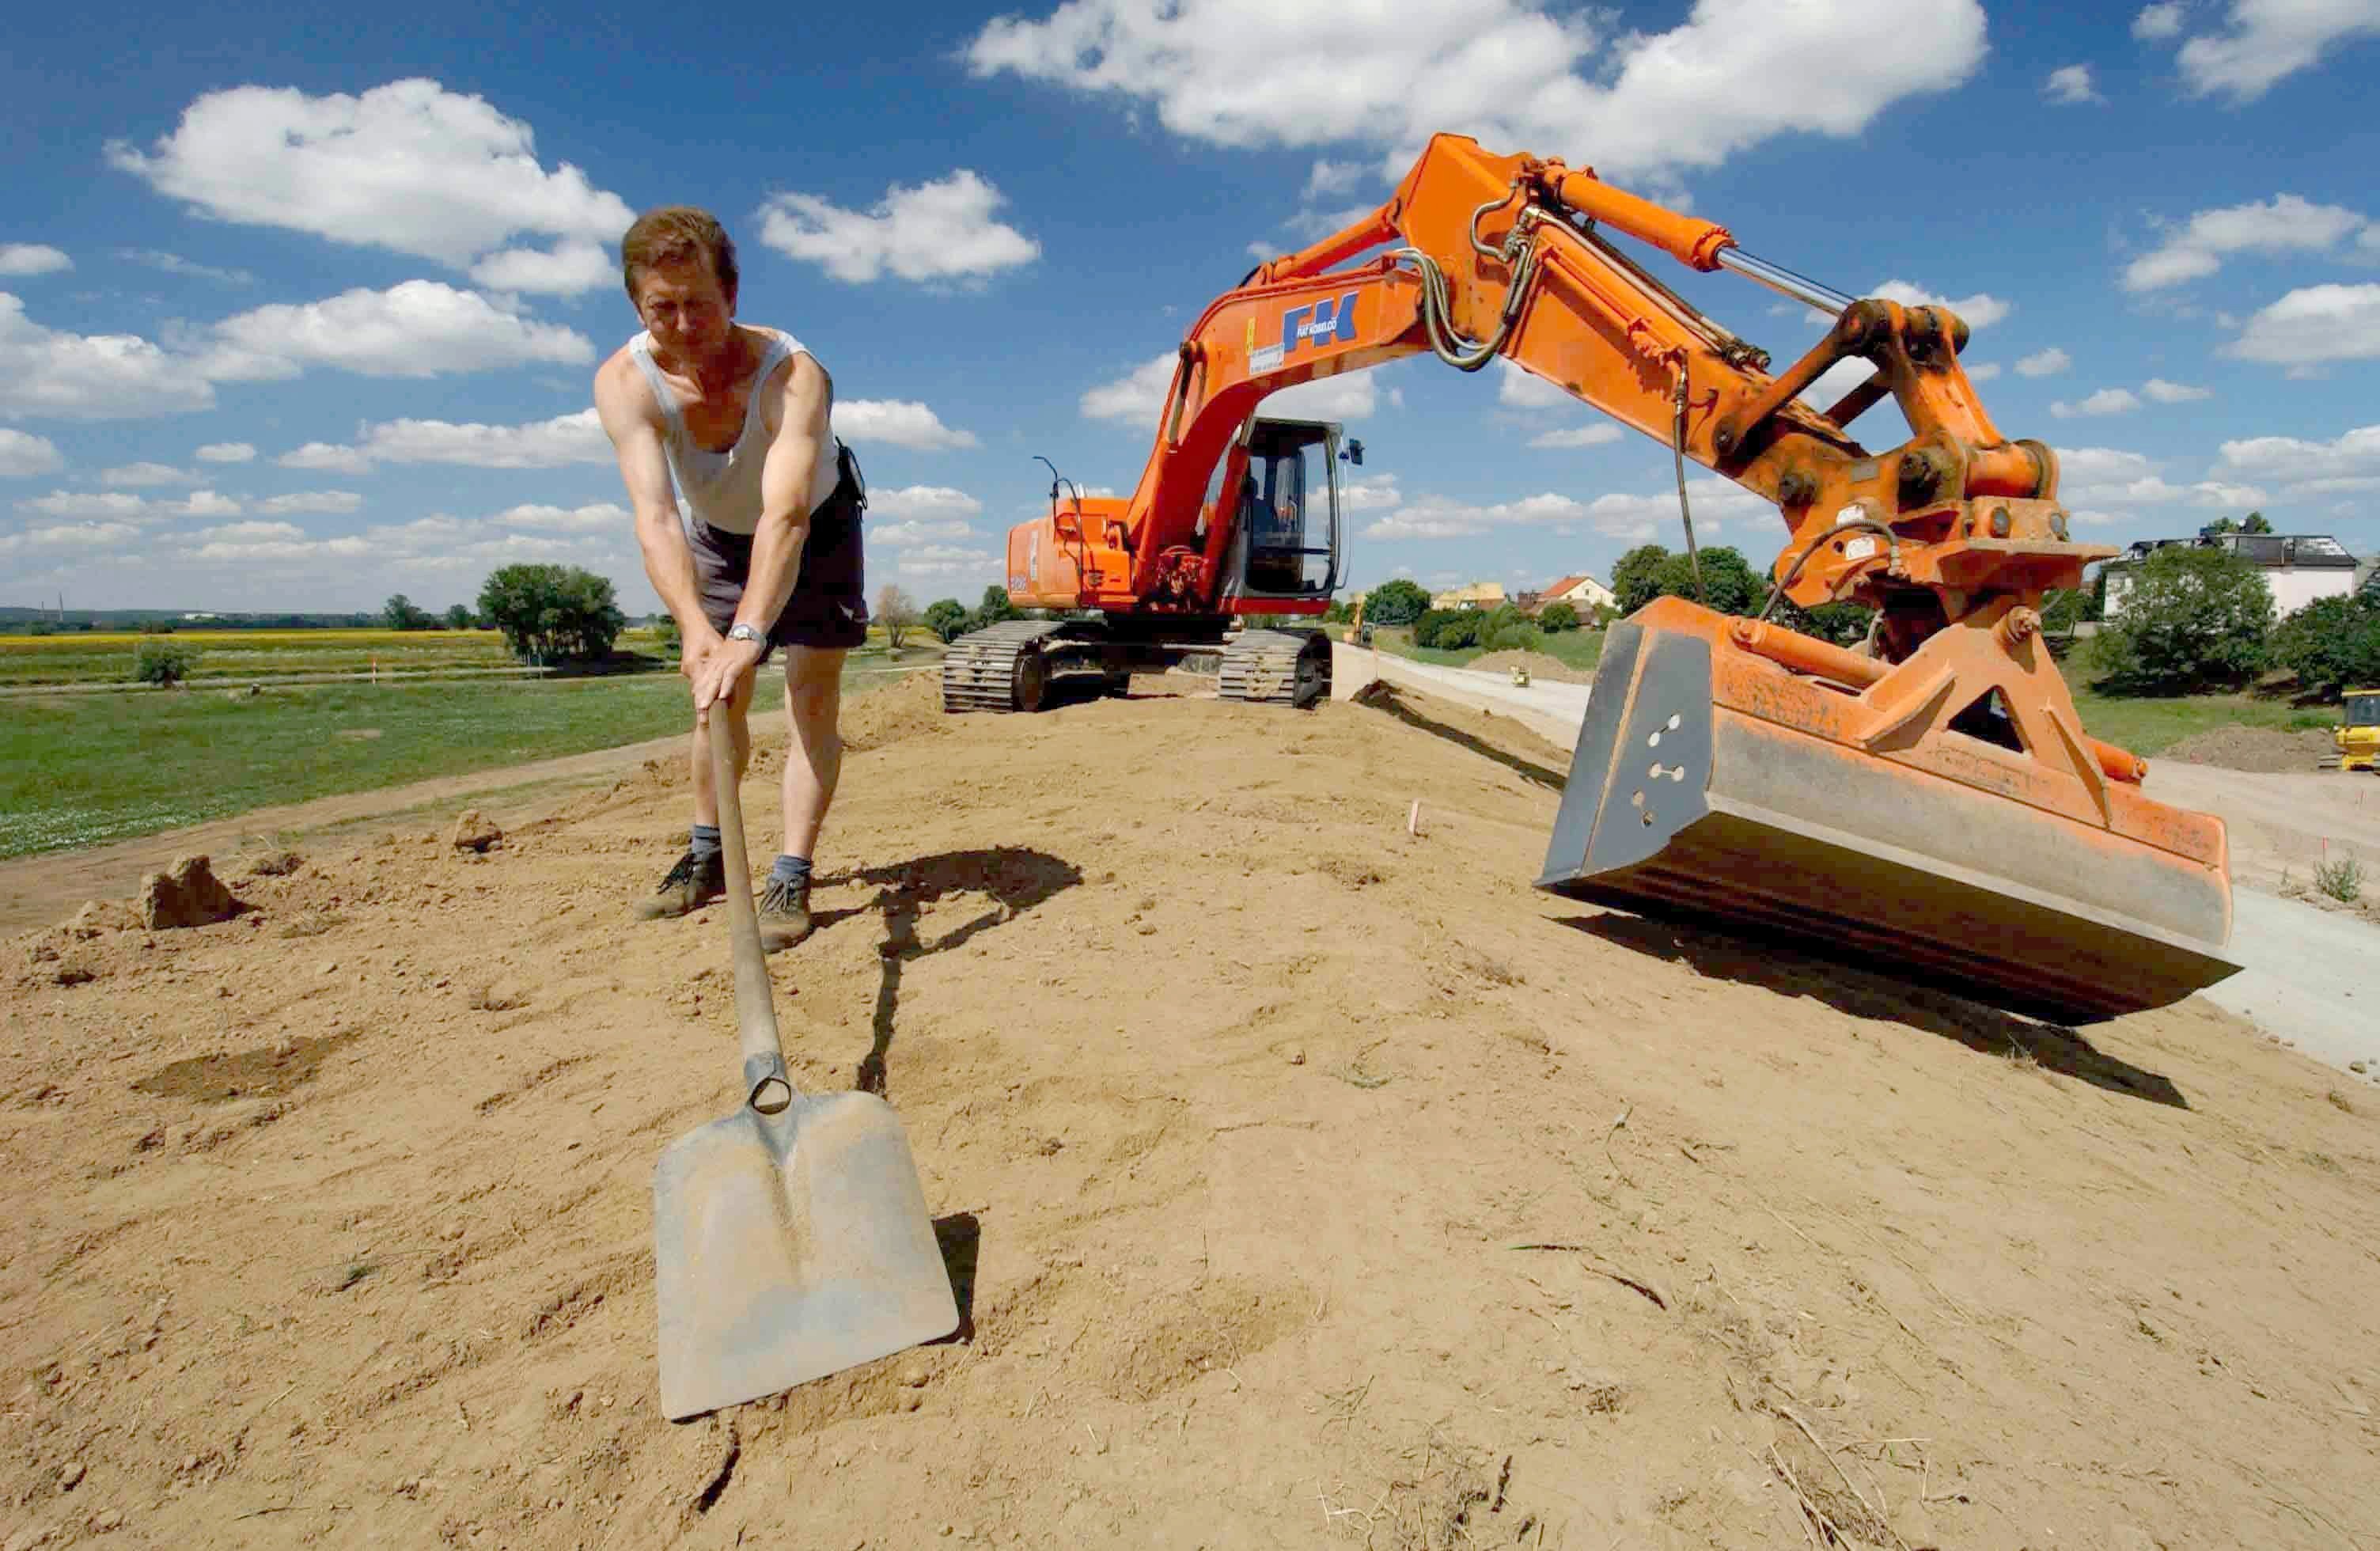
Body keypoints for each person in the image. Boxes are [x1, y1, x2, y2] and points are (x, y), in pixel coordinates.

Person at [593, 207, 869, 950]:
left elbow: (786, 518)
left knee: (810, 697)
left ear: (734, 294)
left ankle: (790, 871)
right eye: (663, 307)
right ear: (636, 305)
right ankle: (707, 858)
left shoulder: (793, 374)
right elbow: (655, 516)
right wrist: (696, 631)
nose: (684, 324)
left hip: (816, 528)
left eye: (700, 304)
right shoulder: (627, 382)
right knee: (717, 697)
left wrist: (748, 633)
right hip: (716, 535)